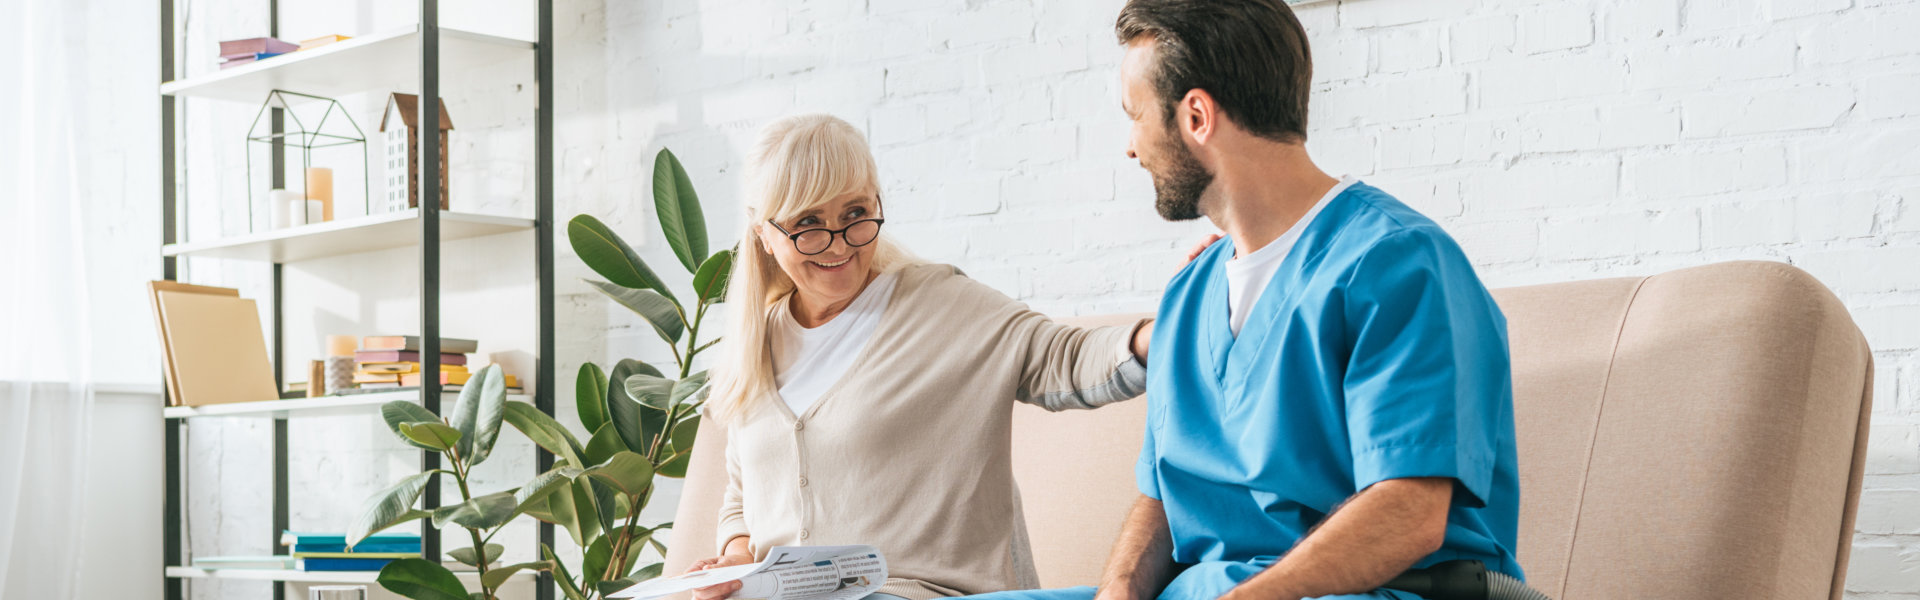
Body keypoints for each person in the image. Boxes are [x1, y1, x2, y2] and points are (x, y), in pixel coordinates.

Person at [970, 1, 1524, 600]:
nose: (1131, 148)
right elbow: (1162, 492)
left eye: (1135, 117)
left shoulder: (1399, 264)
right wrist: (1120, 592)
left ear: (1197, 116)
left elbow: (1409, 512)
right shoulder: (1189, 292)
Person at [682, 114, 1157, 600]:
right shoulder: (756, 343)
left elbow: (1065, 359)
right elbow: (742, 495)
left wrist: (1171, 331)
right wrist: (737, 557)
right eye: (808, 223)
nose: (839, 242)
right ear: (764, 233)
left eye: (854, 213)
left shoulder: (941, 306)